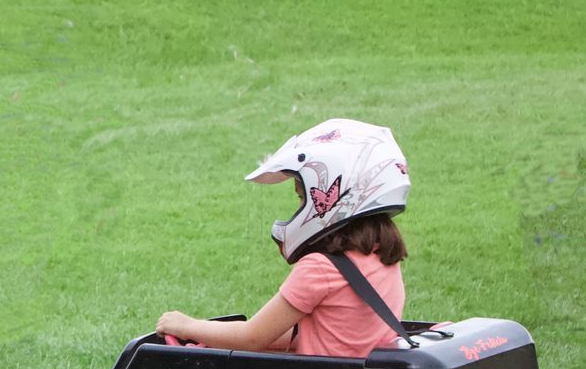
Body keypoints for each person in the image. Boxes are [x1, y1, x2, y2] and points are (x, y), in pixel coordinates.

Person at [156, 120, 410, 356]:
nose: (300, 205)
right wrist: (212, 336)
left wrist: (187, 325)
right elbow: (322, 333)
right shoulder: (381, 256)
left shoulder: (320, 269)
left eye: (302, 197)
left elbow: (252, 337)